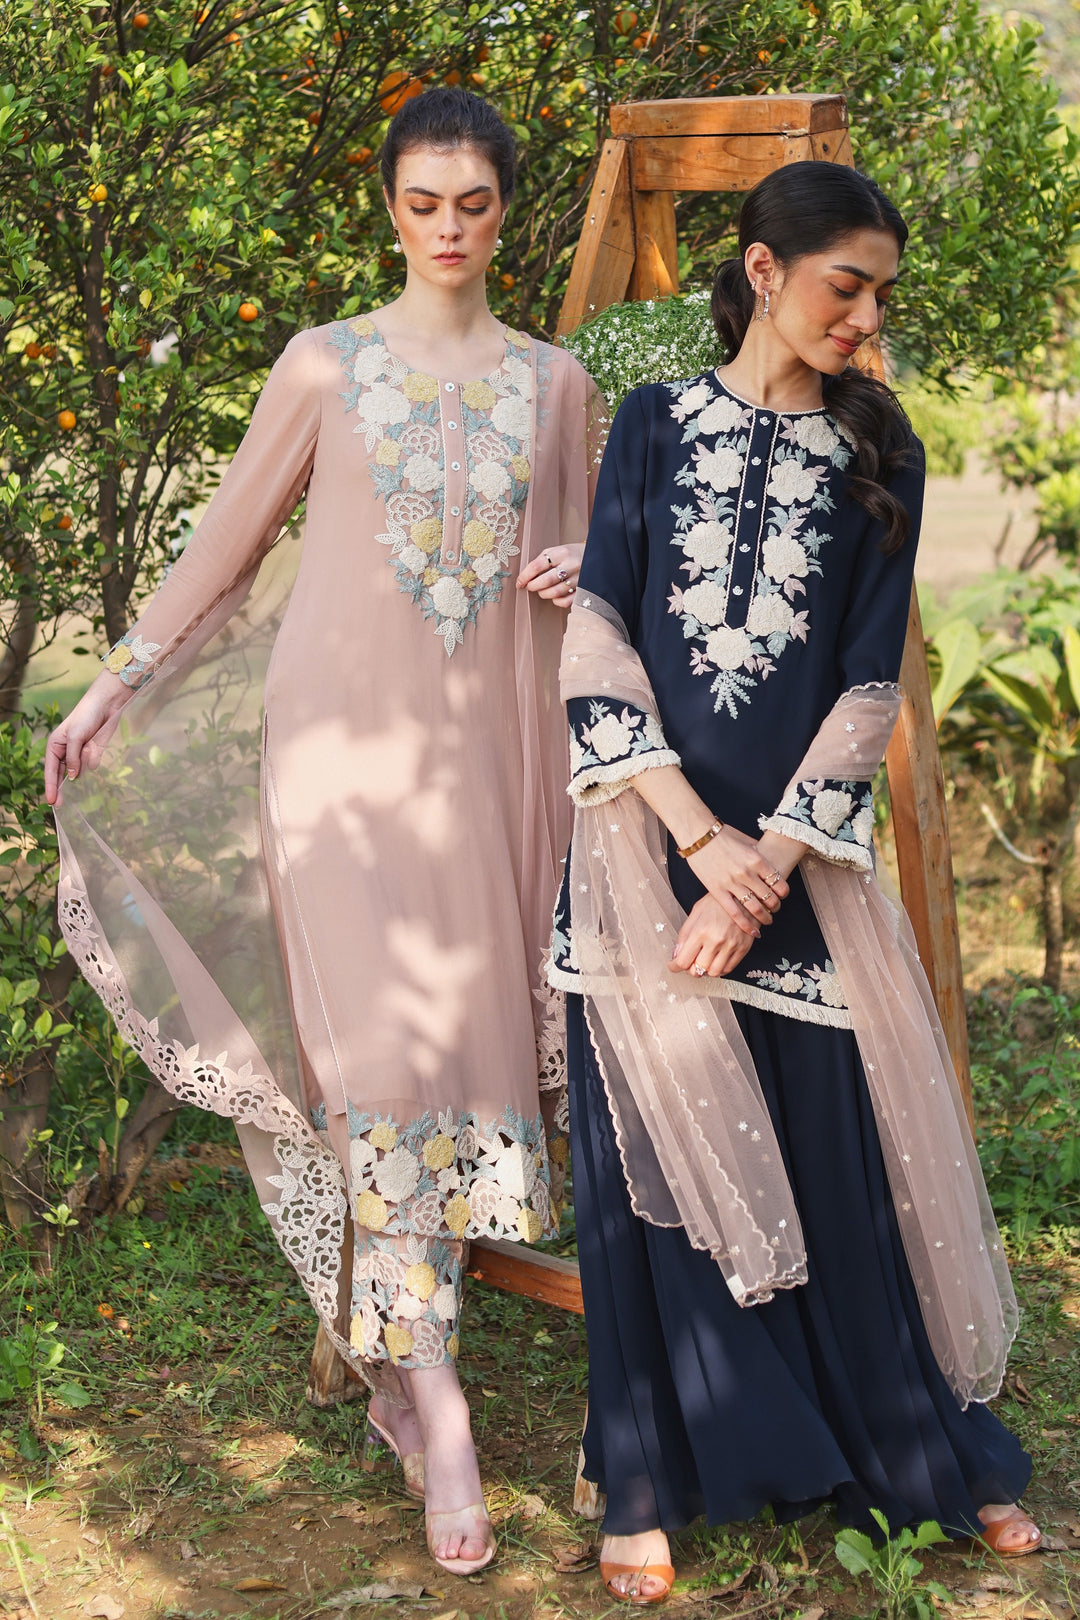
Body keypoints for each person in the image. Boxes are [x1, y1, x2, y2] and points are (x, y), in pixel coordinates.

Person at [45, 88, 602, 1578]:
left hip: (493, 773)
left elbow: (592, 577)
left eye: (473, 205)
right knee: (382, 1071)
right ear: (389, 208)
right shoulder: (323, 363)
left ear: (507, 210)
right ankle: (445, 1410)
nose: (447, 230)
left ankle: (400, 1380)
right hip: (334, 772)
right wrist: (111, 684)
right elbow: (223, 545)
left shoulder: (555, 385)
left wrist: (585, 566)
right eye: (423, 204)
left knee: (463, 1061)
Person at [548, 162, 1039, 1604]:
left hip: (799, 865)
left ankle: (909, 1453)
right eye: (847, 284)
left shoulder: (883, 451)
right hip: (646, 849)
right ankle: (643, 1475)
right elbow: (598, 638)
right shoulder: (652, 425)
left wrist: (760, 868)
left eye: (882, 291)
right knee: (650, 1167)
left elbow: (868, 687)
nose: (868, 315)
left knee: (834, 1158)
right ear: (764, 271)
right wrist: (697, 843)